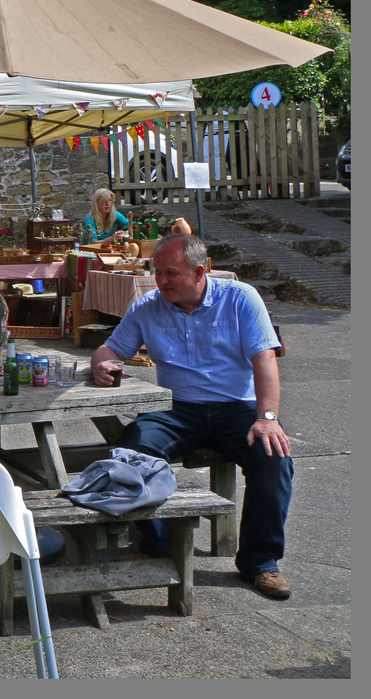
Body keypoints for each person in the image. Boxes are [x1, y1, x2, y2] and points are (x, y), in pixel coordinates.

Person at [90, 233, 293, 600]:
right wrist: (102, 363)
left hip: (237, 407)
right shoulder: (148, 305)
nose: (161, 280)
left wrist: (267, 416)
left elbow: (265, 359)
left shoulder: (240, 298)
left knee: (273, 457)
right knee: (133, 452)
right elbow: (108, 348)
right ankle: (160, 545)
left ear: (200, 272)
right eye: (157, 272)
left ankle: (260, 561)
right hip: (176, 407)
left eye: (171, 273)